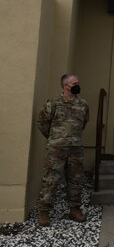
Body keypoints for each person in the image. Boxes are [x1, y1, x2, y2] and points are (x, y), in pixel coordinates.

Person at [37, 74, 89, 227]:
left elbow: (84, 123)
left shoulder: (83, 104)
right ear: (66, 86)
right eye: (75, 83)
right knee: (51, 179)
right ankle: (44, 211)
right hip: (56, 149)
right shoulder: (53, 103)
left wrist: (72, 138)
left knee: (76, 179)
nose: (78, 85)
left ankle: (74, 209)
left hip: (75, 149)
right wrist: (55, 138)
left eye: (78, 82)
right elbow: (42, 123)